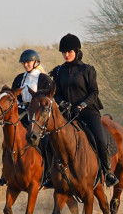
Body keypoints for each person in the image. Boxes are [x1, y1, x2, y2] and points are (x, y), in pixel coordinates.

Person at [49, 33, 118, 187]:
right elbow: (56, 94)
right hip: (67, 113)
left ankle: (107, 172)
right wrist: (64, 104)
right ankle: (50, 174)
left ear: (76, 51)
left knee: (100, 139)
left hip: (88, 111)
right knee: (50, 138)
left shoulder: (87, 69)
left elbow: (94, 92)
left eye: (69, 51)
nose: (66, 55)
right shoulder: (59, 72)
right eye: (64, 52)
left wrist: (83, 104)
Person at [0, 49, 47, 186]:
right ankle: (5, 174)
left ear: (36, 62)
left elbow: (46, 99)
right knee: (8, 138)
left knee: (45, 140)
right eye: (24, 63)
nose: (25, 65)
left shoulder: (43, 78)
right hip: (23, 111)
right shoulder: (19, 78)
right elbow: (13, 97)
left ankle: (47, 173)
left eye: (28, 62)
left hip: (38, 113)